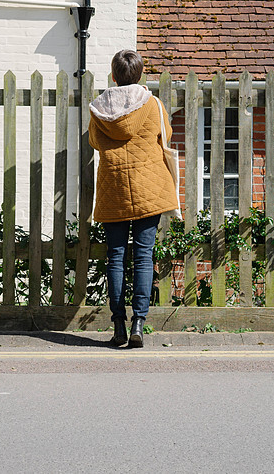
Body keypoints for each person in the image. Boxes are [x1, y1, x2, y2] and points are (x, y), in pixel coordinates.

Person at [88, 49, 178, 347]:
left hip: (114, 187)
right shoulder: (153, 105)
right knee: (143, 256)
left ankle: (118, 326)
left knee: (115, 257)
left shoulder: (99, 109)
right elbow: (166, 134)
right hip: (148, 187)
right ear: (140, 75)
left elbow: (94, 141)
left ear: (113, 75)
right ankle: (139, 323)